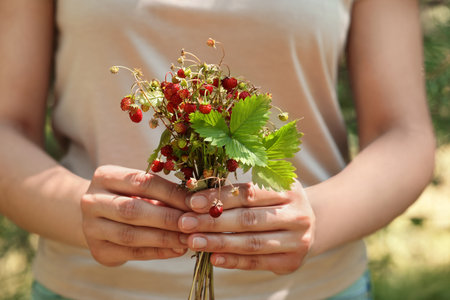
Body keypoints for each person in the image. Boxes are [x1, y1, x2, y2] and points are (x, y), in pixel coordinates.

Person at [0, 0, 435, 299]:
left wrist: (317, 218)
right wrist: (78, 210)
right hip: (86, 289)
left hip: (314, 289)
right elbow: (8, 126)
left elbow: (403, 134)